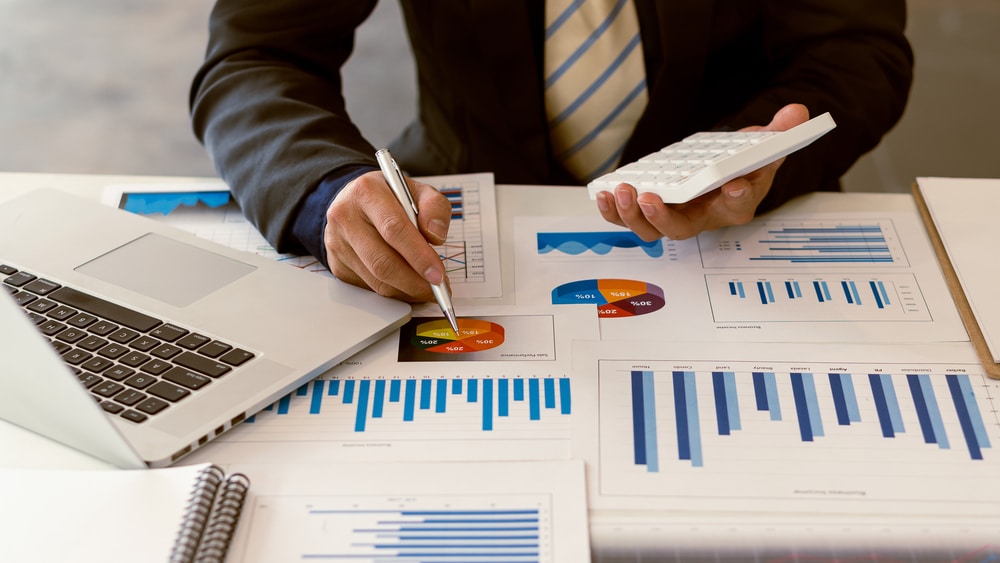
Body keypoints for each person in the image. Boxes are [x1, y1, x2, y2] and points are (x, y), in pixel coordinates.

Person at [190, 1, 913, 304]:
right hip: (467, 208)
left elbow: (854, 49)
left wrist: (757, 149)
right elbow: (255, 56)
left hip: (748, 226)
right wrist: (323, 189)